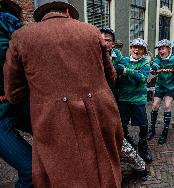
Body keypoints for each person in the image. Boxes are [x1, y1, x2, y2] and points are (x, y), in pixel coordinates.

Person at [4, 0, 124, 187]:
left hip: (52, 118)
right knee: (103, 167)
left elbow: (13, 92)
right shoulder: (91, 30)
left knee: (62, 171)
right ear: (67, 12)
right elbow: (110, 75)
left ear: (41, 15)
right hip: (100, 111)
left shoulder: (21, 36)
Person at [0, 1, 32, 187]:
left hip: (17, 105)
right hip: (3, 115)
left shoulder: (18, 36)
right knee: (32, 170)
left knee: (57, 139)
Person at [116, 38, 153, 163]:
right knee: (122, 125)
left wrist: (127, 71)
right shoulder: (124, 60)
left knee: (143, 126)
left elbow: (142, 78)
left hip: (138, 100)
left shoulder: (145, 63)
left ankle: (143, 148)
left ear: (144, 52)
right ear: (130, 49)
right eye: (134, 47)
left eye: (140, 48)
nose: (136, 50)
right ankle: (127, 141)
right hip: (124, 99)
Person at [148, 39, 174, 145]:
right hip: (160, 86)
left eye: (162, 49)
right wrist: (154, 68)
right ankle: (152, 130)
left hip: (170, 87)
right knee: (154, 106)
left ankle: (165, 132)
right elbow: (155, 64)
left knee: (167, 106)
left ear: (168, 49)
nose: (160, 51)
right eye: (159, 49)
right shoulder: (158, 58)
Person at [100, 27, 123, 102]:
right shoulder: (94, 53)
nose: (104, 43)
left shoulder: (117, 53)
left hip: (114, 90)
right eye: (102, 40)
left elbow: (122, 66)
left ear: (113, 44)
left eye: (107, 40)